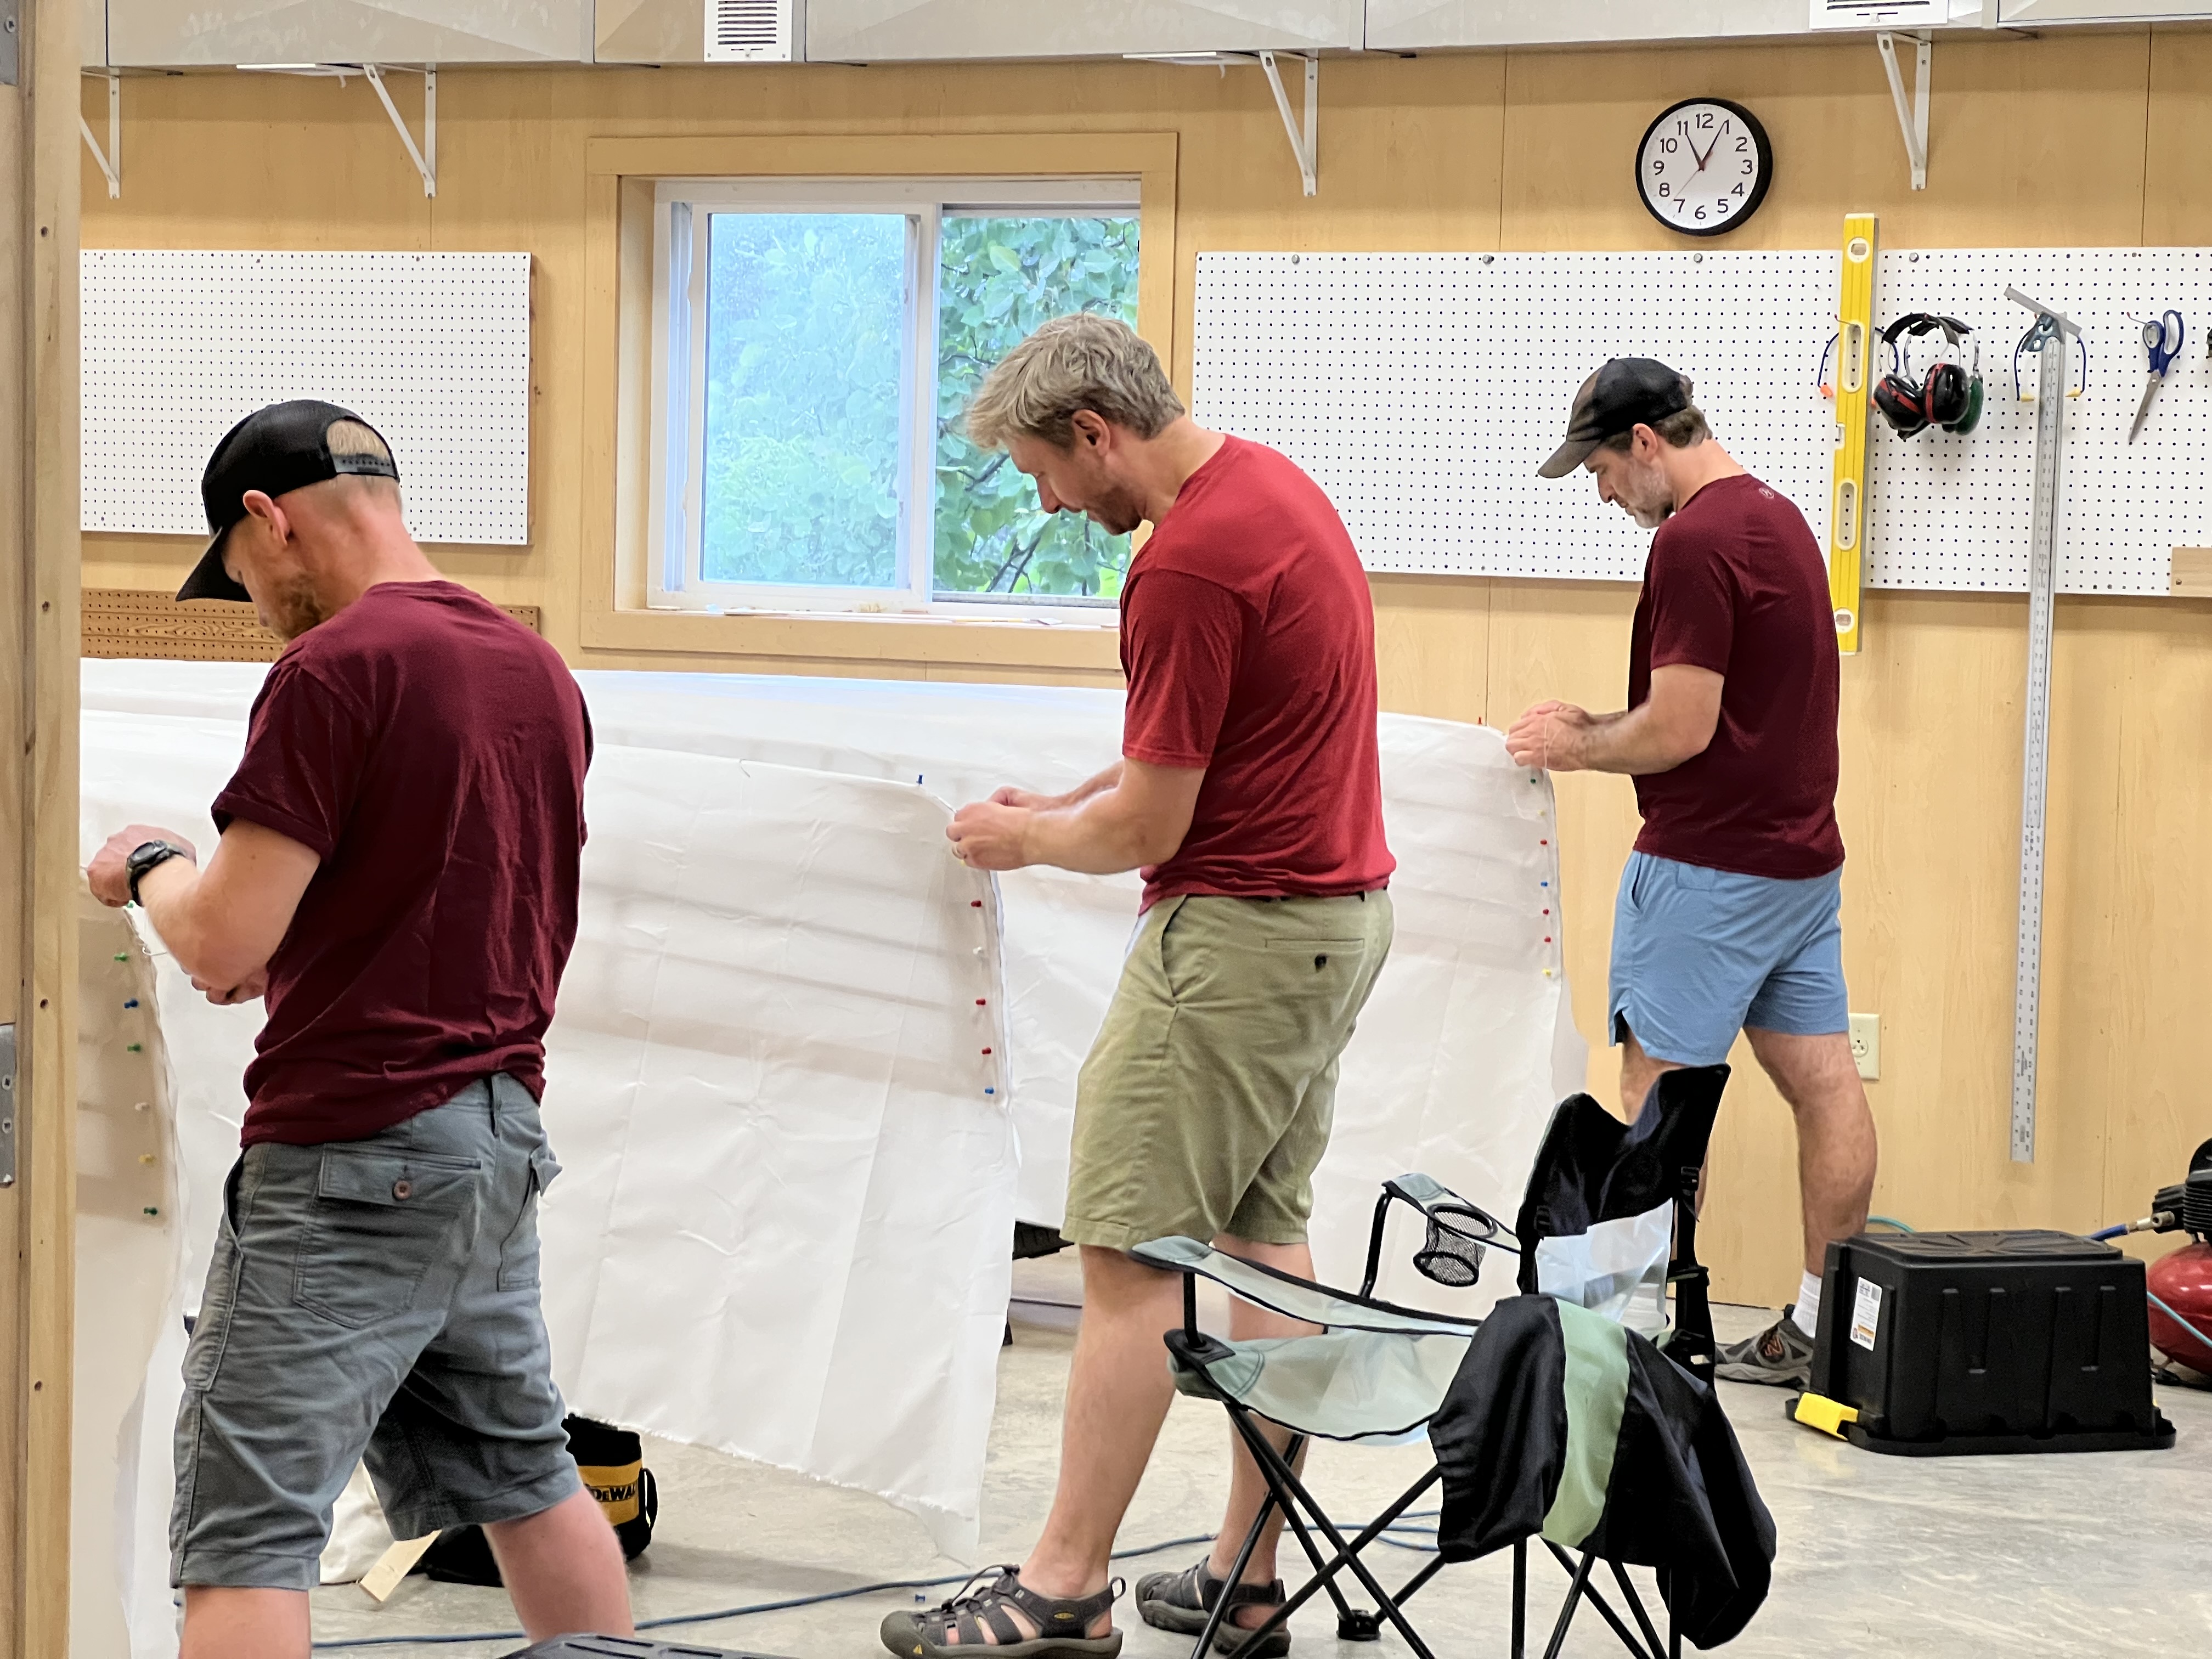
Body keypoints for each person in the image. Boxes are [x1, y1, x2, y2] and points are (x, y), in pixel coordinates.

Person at [878, 314, 1395, 1659]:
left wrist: (1024, 838)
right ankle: (1250, 1575)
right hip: (1332, 923)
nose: (1048, 500)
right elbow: (1207, 757)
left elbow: (1151, 835)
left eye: (1044, 471)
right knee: (1265, 1241)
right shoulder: (1271, 489)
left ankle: (1061, 1589)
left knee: (1124, 1256)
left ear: (1096, 433)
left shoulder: (1186, 566)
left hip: (1236, 943)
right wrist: (1075, 796)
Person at [86, 402, 633, 1659]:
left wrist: (152, 862)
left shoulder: (333, 669)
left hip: (354, 1161)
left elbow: (220, 937)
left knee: (245, 1534)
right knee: (526, 1480)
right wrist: (298, 953)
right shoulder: (530, 665)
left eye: (242, 576)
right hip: (491, 1140)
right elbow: (429, 894)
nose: (261, 608)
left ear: (268, 521)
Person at [1504, 359, 1878, 1389]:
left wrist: (1576, 742)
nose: (1600, 490)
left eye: (1601, 468)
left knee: (1656, 1100)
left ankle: (1629, 1347)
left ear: (1647, 444)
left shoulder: (1694, 541)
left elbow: (1679, 726)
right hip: (1801, 865)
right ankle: (1823, 1328)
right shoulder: (1782, 518)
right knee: (1825, 1084)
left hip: (1706, 870)